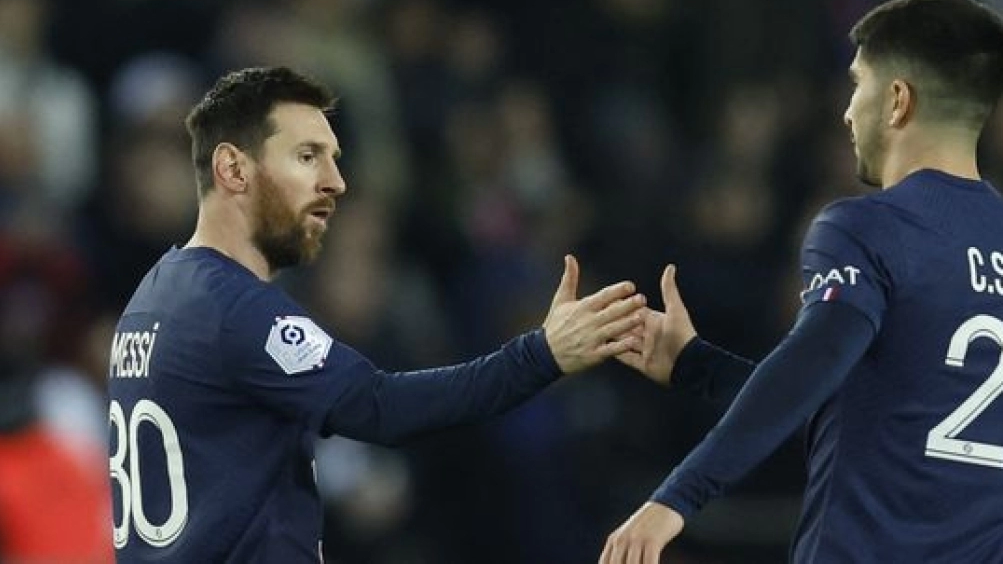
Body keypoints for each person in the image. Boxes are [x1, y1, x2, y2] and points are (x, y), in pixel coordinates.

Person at [106, 66, 646, 563]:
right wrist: (542, 354)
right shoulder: (233, 306)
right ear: (232, 169)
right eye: (306, 156)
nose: (334, 182)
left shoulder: (153, 297)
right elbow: (380, 407)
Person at [601, 0, 1003, 563]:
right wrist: (695, 365)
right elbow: (872, 416)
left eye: (857, 84)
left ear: (897, 99)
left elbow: (813, 359)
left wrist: (676, 497)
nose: (847, 111)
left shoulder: (869, 227)